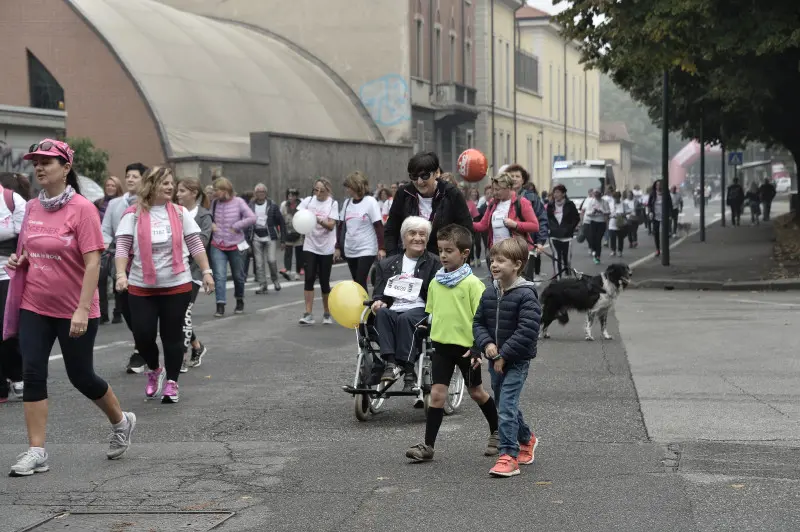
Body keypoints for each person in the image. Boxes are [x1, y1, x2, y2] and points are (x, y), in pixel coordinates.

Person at [8, 139, 135, 476]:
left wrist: (81, 309)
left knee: (81, 377)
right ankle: (37, 451)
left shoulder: (83, 209)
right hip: (35, 303)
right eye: (36, 161)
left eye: (47, 161)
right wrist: (19, 258)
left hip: (74, 307)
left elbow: (93, 264)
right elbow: (30, 249)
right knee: (33, 372)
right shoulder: (33, 207)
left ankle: (121, 421)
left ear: (66, 168)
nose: (39, 167)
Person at [114, 167, 215, 404]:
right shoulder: (133, 214)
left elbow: (196, 244)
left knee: (172, 337)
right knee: (143, 335)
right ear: (151, 185)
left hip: (176, 285)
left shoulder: (180, 213)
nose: (171, 187)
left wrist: (207, 271)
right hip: (141, 287)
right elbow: (122, 246)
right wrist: (121, 274)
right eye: (165, 183)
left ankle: (171, 382)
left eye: (172, 183)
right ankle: (154, 369)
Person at [405, 224, 499, 462]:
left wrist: (478, 347)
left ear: (464, 253)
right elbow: (433, 312)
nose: (444, 255)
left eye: (449, 250)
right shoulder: (436, 282)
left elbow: (484, 318)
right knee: (436, 395)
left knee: (477, 392)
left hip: (468, 350)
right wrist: (426, 326)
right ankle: (428, 446)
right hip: (442, 348)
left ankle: (497, 432)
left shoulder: (473, 285)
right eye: (440, 250)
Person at [473, 237, 541, 477]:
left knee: (507, 406)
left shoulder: (526, 295)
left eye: (501, 260)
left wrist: (503, 354)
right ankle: (527, 438)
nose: (494, 264)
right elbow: (479, 322)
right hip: (495, 360)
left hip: (516, 361)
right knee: (505, 405)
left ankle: (508, 456)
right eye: (493, 259)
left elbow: (528, 331)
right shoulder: (490, 291)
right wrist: (485, 344)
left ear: (517, 265)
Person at [371, 216, 440, 391]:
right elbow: (379, 293)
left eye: (422, 234)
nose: (418, 238)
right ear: (404, 238)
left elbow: (437, 294)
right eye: (412, 233)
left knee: (406, 319)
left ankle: (408, 369)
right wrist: (378, 302)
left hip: (421, 308)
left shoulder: (435, 263)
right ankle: (391, 363)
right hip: (394, 308)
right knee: (382, 314)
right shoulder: (386, 264)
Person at [383, 152, 474, 256]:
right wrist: (394, 259)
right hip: (409, 259)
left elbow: (466, 232)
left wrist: (459, 263)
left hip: (442, 261)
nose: (420, 182)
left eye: (424, 176)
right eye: (414, 176)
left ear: (436, 173)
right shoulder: (403, 194)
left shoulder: (451, 194)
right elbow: (391, 229)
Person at [102, 162, 147, 372]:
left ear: (144, 180)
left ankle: (140, 351)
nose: (130, 179)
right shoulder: (115, 204)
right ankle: (142, 343)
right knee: (127, 309)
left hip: (144, 264)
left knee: (143, 310)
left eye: (135, 176)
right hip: (121, 263)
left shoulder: (149, 203)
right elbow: (106, 230)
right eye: (128, 176)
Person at [176, 178, 212, 370]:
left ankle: (181, 355)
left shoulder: (204, 215)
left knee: (184, 312)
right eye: (178, 191)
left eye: (182, 191)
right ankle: (197, 346)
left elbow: (202, 240)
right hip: (174, 270)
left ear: (194, 193)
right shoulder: (172, 211)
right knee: (177, 314)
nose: (178, 194)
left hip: (194, 272)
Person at [209, 177, 256, 317]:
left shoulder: (239, 202)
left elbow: (252, 218)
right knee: (219, 276)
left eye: (216, 190)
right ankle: (220, 305)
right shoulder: (215, 203)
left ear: (225, 190)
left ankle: (239, 300)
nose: (214, 193)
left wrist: (236, 226)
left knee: (238, 276)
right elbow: (209, 217)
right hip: (218, 244)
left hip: (236, 244)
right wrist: (211, 225)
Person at [0, 173, 28, 403]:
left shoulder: (12, 200)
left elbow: (27, 239)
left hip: (7, 272)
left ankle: (17, 374)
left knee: (6, 328)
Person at [298, 178, 339, 325]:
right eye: (316, 189)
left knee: (324, 281)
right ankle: (308, 313)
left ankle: (327, 313)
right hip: (310, 245)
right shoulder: (308, 201)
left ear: (328, 190)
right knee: (308, 278)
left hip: (326, 247)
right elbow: (299, 216)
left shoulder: (333, 203)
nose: (318, 193)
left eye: (322, 190)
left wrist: (318, 220)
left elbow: (331, 225)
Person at [336, 171, 384, 290]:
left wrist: (382, 247)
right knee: (357, 283)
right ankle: (361, 307)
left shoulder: (370, 202)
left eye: (348, 187)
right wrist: (337, 247)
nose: (347, 190)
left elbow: (378, 226)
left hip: (366, 248)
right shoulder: (347, 203)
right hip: (350, 249)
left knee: (361, 280)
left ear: (355, 186)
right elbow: (341, 226)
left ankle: (365, 308)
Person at [506, 164, 549, 280]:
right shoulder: (500, 198)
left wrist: (540, 241)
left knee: (524, 282)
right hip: (505, 248)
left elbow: (542, 219)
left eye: (517, 176)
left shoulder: (532, 198)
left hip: (527, 246)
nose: (514, 178)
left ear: (523, 180)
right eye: (511, 176)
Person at [94, 176, 124, 325]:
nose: (110, 188)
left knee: (117, 278)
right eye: (108, 185)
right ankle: (103, 313)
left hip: (118, 245)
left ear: (117, 187)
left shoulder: (123, 203)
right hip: (102, 245)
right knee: (101, 280)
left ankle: (118, 312)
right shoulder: (98, 204)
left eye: (113, 185)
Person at [248, 183, 286, 294]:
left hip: (270, 236)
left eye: (262, 192)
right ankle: (262, 284)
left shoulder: (272, 205)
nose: (260, 194)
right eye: (258, 192)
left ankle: (275, 280)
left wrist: (283, 240)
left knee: (271, 260)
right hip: (256, 237)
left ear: (266, 193)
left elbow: (281, 222)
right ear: (255, 193)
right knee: (259, 263)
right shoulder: (250, 206)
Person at [546, 184, 580, 279]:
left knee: (567, 258)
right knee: (557, 257)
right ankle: (558, 278)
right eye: (554, 192)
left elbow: (576, 218)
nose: (555, 194)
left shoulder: (570, 204)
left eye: (558, 192)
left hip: (567, 236)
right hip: (554, 235)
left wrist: (570, 228)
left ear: (563, 194)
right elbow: (547, 218)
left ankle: (568, 276)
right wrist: (551, 228)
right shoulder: (550, 205)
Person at [279, 188, 304, 281]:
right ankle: (288, 270)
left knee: (299, 253)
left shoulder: (302, 204)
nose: (291, 197)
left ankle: (298, 272)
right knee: (288, 252)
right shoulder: (284, 205)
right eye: (289, 195)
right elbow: (281, 218)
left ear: (296, 196)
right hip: (288, 231)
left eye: (293, 195)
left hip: (299, 232)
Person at [580, 189, 609, 264]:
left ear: (600, 194)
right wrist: (593, 212)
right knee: (592, 238)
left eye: (598, 193)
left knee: (598, 239)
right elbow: (588, 213)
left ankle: (597, 256)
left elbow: (608, 212)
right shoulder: (591, 202)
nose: (596, 195)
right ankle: (594, 250)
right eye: (595, 193)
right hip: (593, 222)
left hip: (601, 222)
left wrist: (602, 211)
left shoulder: (604, 202)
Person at [647, 180, 672, 256]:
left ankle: (665, 247)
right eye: (657, 185)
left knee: (665, 233)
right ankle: (657, 249)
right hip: (655, 215)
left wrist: (670, 214)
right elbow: (649, 204)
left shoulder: (666, 193)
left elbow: (670, 204)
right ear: (655, 186)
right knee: (656, 233)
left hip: (664, 215)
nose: (659, 186)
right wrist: (650, 212)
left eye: (660, 185)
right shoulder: (653, 194)